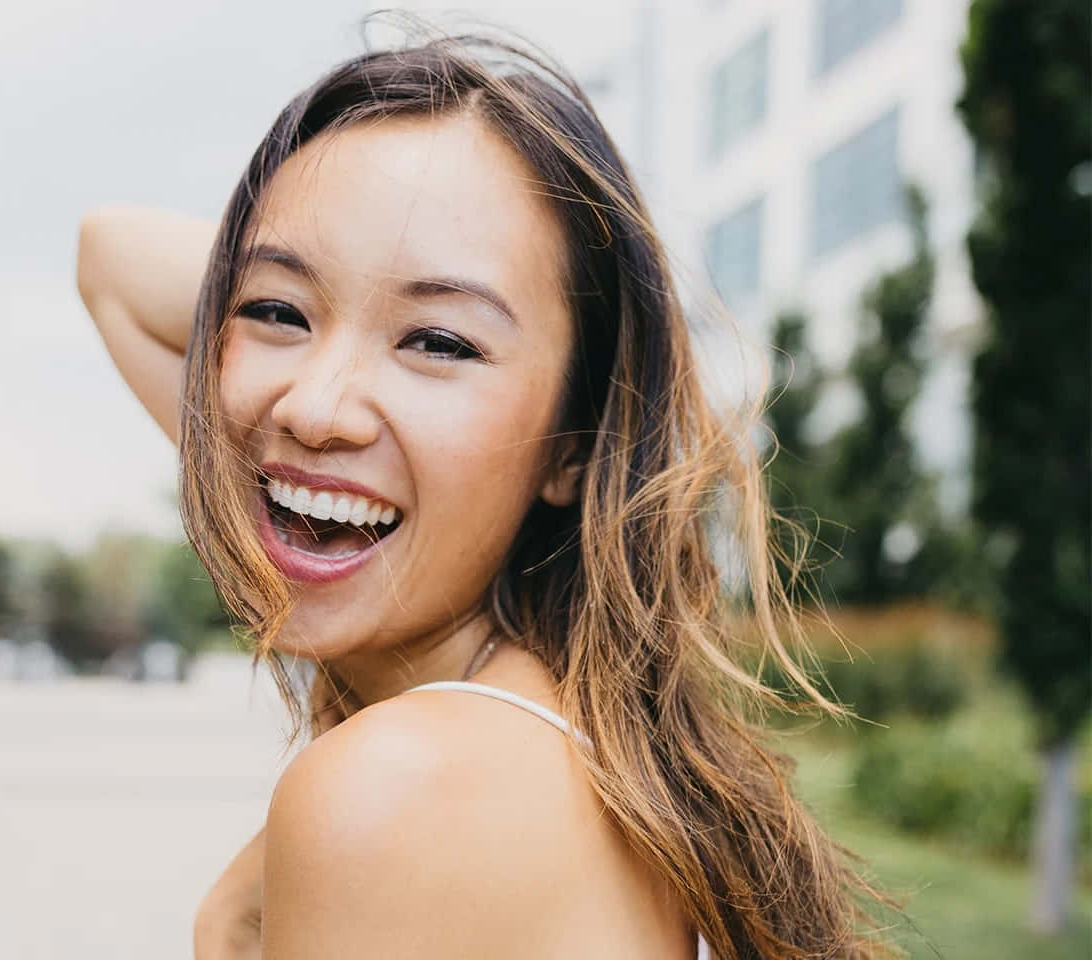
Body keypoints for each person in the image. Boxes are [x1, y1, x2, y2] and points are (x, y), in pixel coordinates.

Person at [77, 29, 892, 960]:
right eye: (276, 312)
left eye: (440, 343)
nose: (314, 408)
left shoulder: (398, 788)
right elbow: (106, 259)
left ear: (575, 444)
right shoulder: (567, 737)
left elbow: (108, 265)